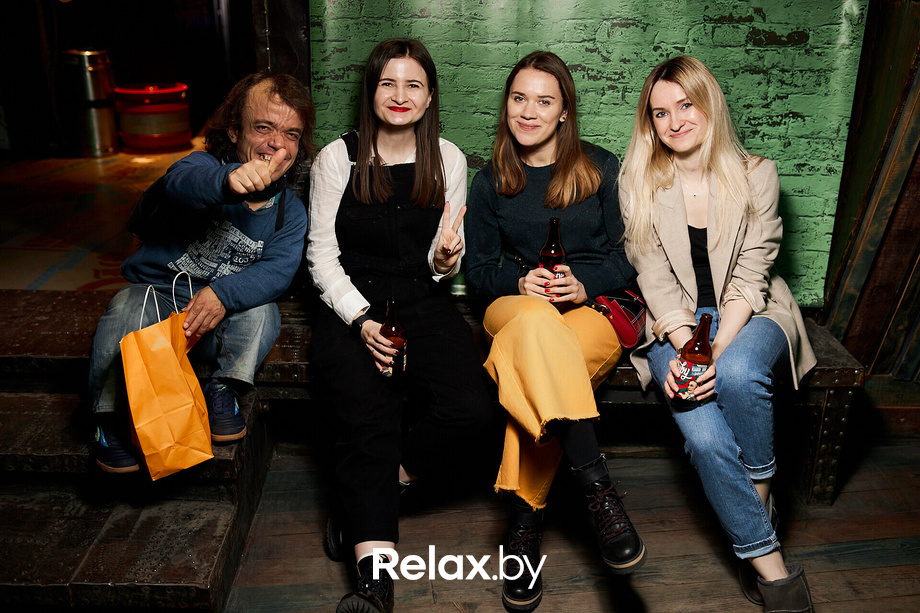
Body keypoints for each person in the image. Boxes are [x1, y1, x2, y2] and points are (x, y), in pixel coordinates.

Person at [618, 55, 818, 613]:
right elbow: (652, 278)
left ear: (709, 104)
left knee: (735, 370)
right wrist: (689, 346)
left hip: (751, 312)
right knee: (704, 439)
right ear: (649, 123)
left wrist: (713, 350)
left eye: (686, 105)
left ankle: (759, 516)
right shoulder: (639, 181)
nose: (675, 121)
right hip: (671, 323)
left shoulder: (757, 172)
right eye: (660, 113)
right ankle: (770, 556)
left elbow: (753, 275)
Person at [306, 38, 493, 613]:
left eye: (413, 85)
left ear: (429, 94)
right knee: (369, 412)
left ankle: (371, 490)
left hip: (419, 298)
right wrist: (359, 320)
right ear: (372, 90)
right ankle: (374, 585)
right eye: (389, 83)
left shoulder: (449, 159)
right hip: (352, 302)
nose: (400, 95)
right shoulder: (338, 158)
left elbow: (443, 263)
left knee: (475, 408)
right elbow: (320, 255)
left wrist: (445, 258)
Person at [464, 51, 645, 612]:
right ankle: (596, 486)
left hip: (593, 312)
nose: (529, 111)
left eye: (544, 101)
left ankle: (523, 524)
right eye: (519, 98)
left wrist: (583, 283)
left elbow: (629, 259)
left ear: (565, 111)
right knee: (535, 328)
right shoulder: (490, 181)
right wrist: (522, 283)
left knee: (537, 365)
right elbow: (478, 277)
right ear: (507, 105)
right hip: (514, 310)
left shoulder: (600, 168)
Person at [88, 72, 315, 473]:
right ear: (234, 130)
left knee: (265, 312)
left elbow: (278, 272)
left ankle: (225, 387)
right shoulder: (203, 166)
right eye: (263, 127)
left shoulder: (288, 211)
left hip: (217, 324)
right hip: (159, 306)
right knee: (125, 305)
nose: (278, 143)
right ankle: (107, 418)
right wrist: (227, 183)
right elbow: (181, 184)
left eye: (291, 134)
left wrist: (223, 294)